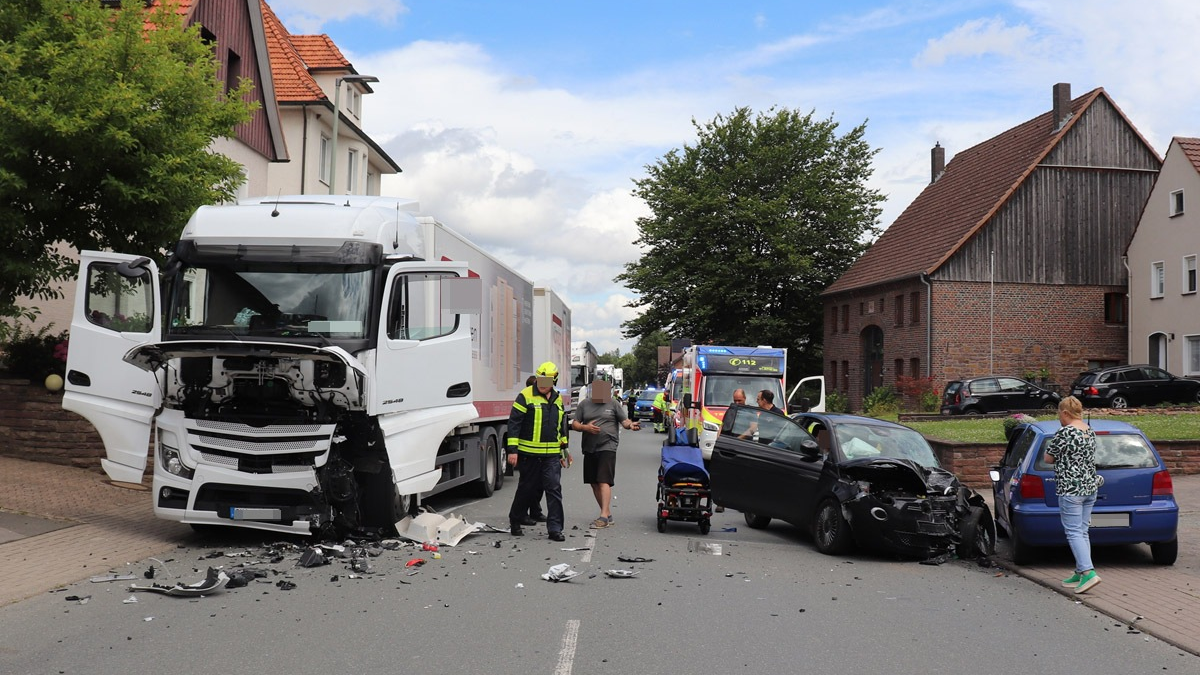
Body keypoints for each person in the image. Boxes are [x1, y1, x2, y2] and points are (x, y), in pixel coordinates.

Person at [507, 362, 571, 542]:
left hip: (551, 455)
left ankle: (555, 529)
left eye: (547, 381)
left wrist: (564, 450)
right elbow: (514, 424)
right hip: (529, 455)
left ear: (554, 381)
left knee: (554, 489)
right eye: (540, 380)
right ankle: (515, 519)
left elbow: (561, 427)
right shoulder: (525, 395)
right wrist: (512, 450)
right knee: (526, 489)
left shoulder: (557, 399)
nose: (542, 385)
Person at [1045, 395, 1102, 593]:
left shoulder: (1065, 432)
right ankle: (1080, 571)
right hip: (1090, 488)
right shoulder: (1089, 431)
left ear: (1065, 413)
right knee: (1082, 531)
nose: (1059, 418)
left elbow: (1048, 458)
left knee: (1074, 532)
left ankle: (1088, 572)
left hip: (1071, 489)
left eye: (1059, 414)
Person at [572, 379, 639, 529]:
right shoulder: (584, 404)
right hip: (589, 447)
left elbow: (624, 421)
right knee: (594, 482)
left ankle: (603, 517)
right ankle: (607, 513)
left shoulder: (613, 403)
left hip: (608, 446)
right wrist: (585, 428)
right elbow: (575, 424)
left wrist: (631, 425)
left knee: (603, 480)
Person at [515, 375, 547, 526]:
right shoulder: (525, 399)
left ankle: (535, 510)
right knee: (527, 485)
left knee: (539, 485)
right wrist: (514, 450)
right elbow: (516, 424)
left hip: (541, 451)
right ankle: (520, 515)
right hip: (527, 451)